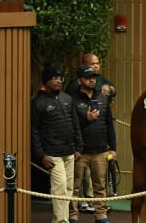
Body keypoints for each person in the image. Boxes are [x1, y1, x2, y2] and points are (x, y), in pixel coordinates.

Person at [31, 64, 83, 223]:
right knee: (59, 190)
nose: (58, 81)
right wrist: (40, 155)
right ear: (46, 81)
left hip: (70, 152)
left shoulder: (67, 99)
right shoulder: (37, 102)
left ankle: (61, 220)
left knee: (68, 190)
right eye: (54, 78)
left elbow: (76, 124)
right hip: (52, 155)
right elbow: (34, 131)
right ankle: (61, 221)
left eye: (60, 78)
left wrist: (78, 147)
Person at [66, 53, 117, 214]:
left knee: (100, 187)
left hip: (101, 150)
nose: (92, 80)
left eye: (94, 77)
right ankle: (73, 217)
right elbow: (70, 127)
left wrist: (113, 148)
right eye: (88, 77)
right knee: (74, 187)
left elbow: (110, 124)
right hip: (79, 152)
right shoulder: (71, 100)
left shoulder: (102, 99)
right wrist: (87, 119)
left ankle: (101, 216)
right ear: (80, 80)